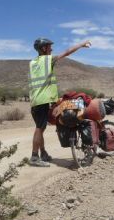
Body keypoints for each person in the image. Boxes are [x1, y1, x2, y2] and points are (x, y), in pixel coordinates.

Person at [29, 38, 91, 167]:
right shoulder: (47, 60)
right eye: (49, 47)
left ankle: (43, 153)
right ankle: (34, 157)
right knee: (39, 129)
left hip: (36, 100)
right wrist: (81, 44)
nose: (51, 49)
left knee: (41, 128)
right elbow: (67, 52)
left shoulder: (33, 62)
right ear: (43, 48)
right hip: (43, 100)